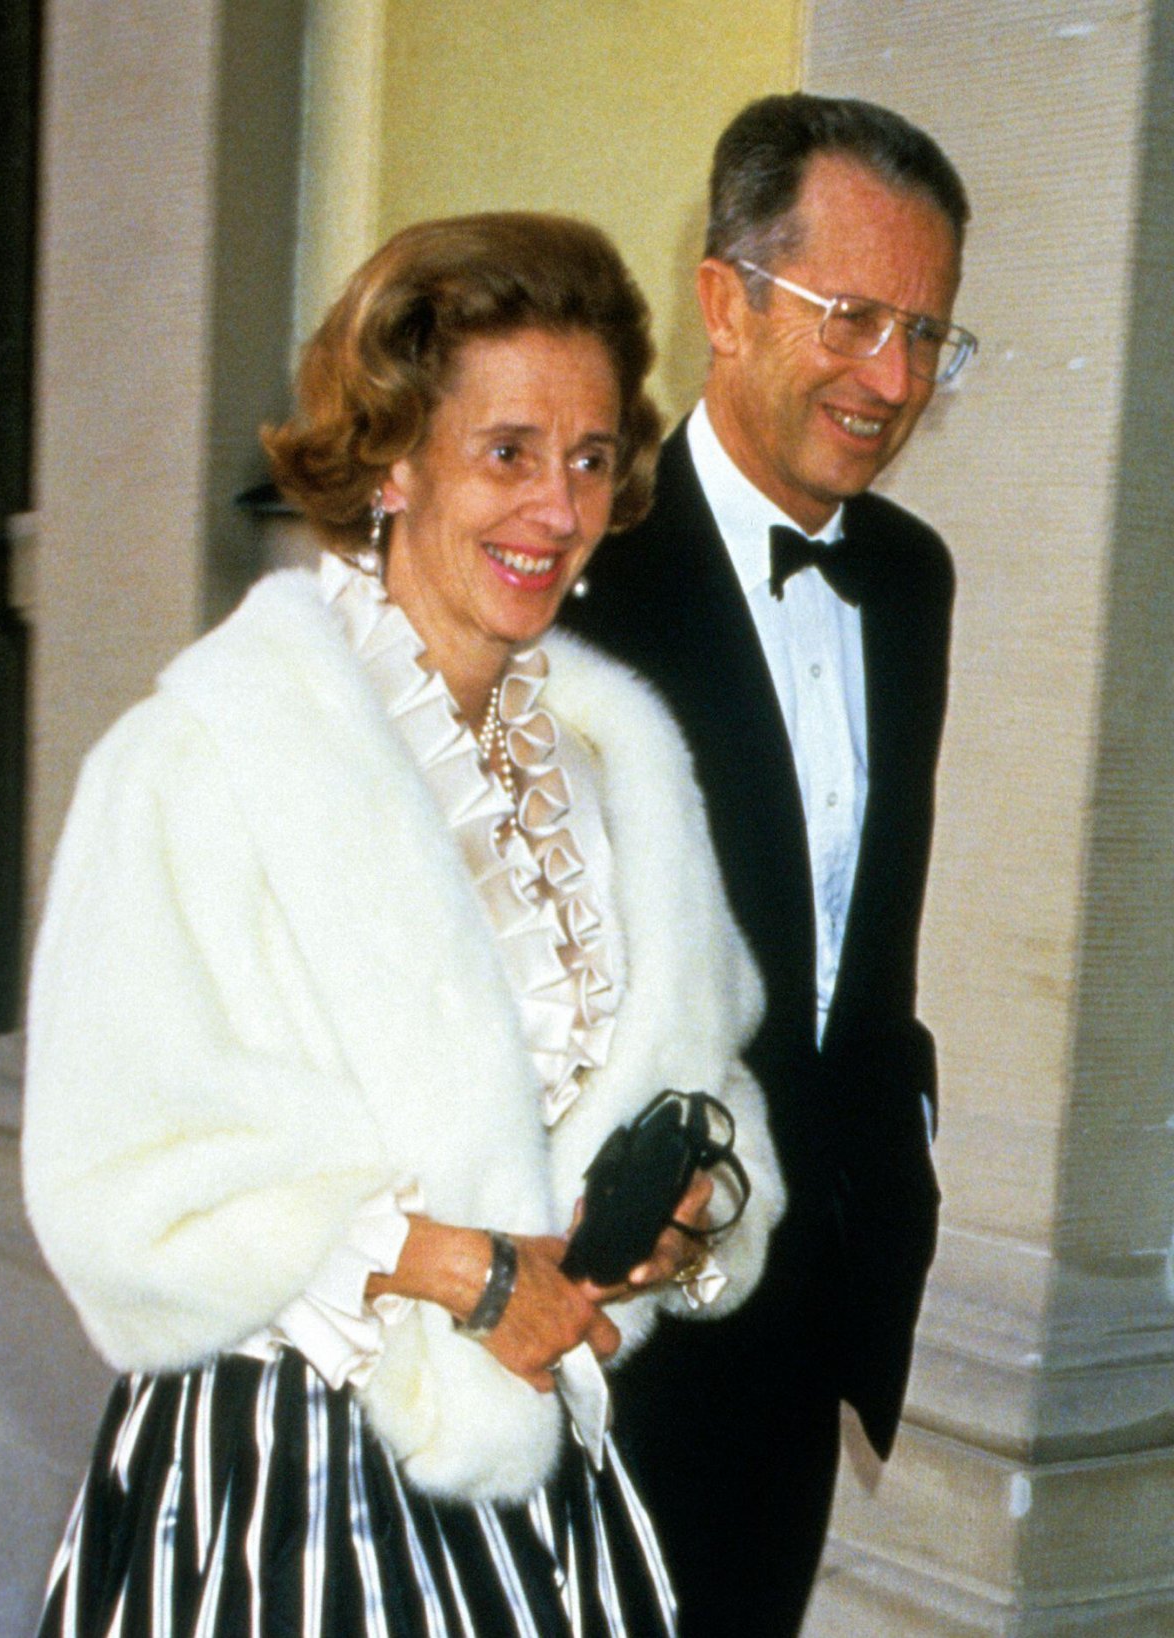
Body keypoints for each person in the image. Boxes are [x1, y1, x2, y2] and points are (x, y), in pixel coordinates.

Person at [22, 212, 784, 1638]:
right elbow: (113, 1182)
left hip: (532, 1478)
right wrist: (459, 1265)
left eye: (593, 456)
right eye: (508, 451)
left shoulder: (616, 772)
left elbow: (702, 1074)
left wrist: (680, 1219)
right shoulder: (205, 762)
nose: (556, 509)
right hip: (284, 1493)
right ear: (393, 458)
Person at [561, 94, 974, 1635]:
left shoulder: (914, 580)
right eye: (854, 315)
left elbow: (855, 951)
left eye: (931, 334)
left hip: (812, 1313)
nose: (895, 379)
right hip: (602, 1321)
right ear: (725, 301)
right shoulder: (574, 569)